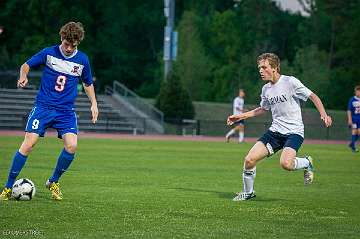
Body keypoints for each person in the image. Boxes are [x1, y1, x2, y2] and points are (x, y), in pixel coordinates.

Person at [0, 21, 98, 201]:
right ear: (61, 38)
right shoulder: (48, 53)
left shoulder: (82, 60)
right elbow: (26, 65)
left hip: (66, 112)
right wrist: (23, 76)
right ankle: (7, 187)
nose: (69, 48)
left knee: (72, 145)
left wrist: (94, 104)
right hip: (43, 108)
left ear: (78, 43)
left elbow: (87, 83)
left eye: (73, 45)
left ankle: (53, 181)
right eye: (66, 44)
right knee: (29, 144)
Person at [227, 53, 332, 201]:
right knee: (249, 160)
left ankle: (307, 162)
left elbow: (313, 96)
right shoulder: (266, 89)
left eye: (264, 67)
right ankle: (248, 192)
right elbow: (262, 109)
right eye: (259, 68)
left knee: (286, 164)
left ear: (275, 68)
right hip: (275, 132)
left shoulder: (290, 82)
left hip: (294, 132)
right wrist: (241, 116)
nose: (261, 71)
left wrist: (324, 114)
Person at [347, 85, 360, 152]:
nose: (358, 93)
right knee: (354, 131)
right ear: (355, 92)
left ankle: (352, 143)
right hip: (354, 118)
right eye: (357, 91)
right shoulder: (352, 99)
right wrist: (349, 119)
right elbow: (349, 110)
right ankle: (353, 147)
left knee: (359, 132)